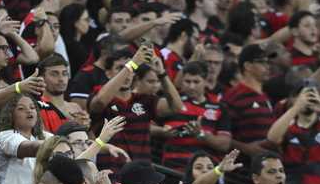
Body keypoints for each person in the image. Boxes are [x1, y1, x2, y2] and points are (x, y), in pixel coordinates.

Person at [89, 45, 184, 175]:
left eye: (131, 69)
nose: (128, 73)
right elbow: (99, 102)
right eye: (120, 68)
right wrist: (131, 64)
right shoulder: (100, 95)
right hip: (110, 175)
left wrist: (162, 73)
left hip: (142, 176)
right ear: (108, 73)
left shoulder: (145, 100)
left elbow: (178, 107)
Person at [158, 61, 231, 172]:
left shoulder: (220, 108)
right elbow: (147, 126)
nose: (191, 86)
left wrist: (201, 134)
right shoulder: (171, 104)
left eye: (196, 82)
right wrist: (161, 131)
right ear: (182, 81)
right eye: (188, 81)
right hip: (171, 170)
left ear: (205, 82)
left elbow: (224, 144)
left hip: (205, 174)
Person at [0, 93, 48, 184]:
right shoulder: (5, 137)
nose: (29, 110)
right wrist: (55, 146)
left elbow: (61, 143)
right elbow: (30, 148)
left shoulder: (42, 136)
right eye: (21, 109)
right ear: (11, 114)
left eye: (32, 107)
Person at [223, 44, 276, 157]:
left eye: (268, 62)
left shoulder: (265, 97)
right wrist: (245, 148)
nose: (267, 67)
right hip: (241, 168)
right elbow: (221, 134)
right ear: (247, 66)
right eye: (262, 62)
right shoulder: (234, 96)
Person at [36, 53, 88, 133]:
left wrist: (87, 127)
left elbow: (88, 139)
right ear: (41, 78)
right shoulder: (38, 107)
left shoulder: (75, 108)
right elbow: (45, 142)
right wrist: (73, 126)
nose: (61, 79)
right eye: (54, 74)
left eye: (64, 74)